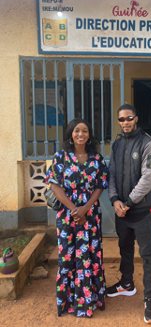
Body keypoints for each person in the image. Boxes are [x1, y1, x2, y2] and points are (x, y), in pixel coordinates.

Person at [44, 118, 109, 318]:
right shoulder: (61, 157)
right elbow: (54, 185)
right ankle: (69, 302)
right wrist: (74, 210)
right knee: (67, 257)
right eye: (77, 131)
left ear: (89, 135)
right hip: (67, 215)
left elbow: (100, 185)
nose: (81, 134)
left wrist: (85, 209)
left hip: (90, 215)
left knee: (91, 255)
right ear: (71, 134)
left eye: (85, 131)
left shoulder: (96, 159)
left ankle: (92, 299)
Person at [107, 104, 151, 324]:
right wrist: (115, 200)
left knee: (147, 255)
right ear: (118, 121)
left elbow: (148, 178)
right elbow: (111, 175)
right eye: (121, 119)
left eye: (129, 118)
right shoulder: (117, 144)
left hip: (140, 212)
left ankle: (150, 298)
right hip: (122, 213)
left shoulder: (148, 144)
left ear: (135, 119)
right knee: (125, 249)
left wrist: (127, 202)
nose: (125, 122)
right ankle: (126, 284)